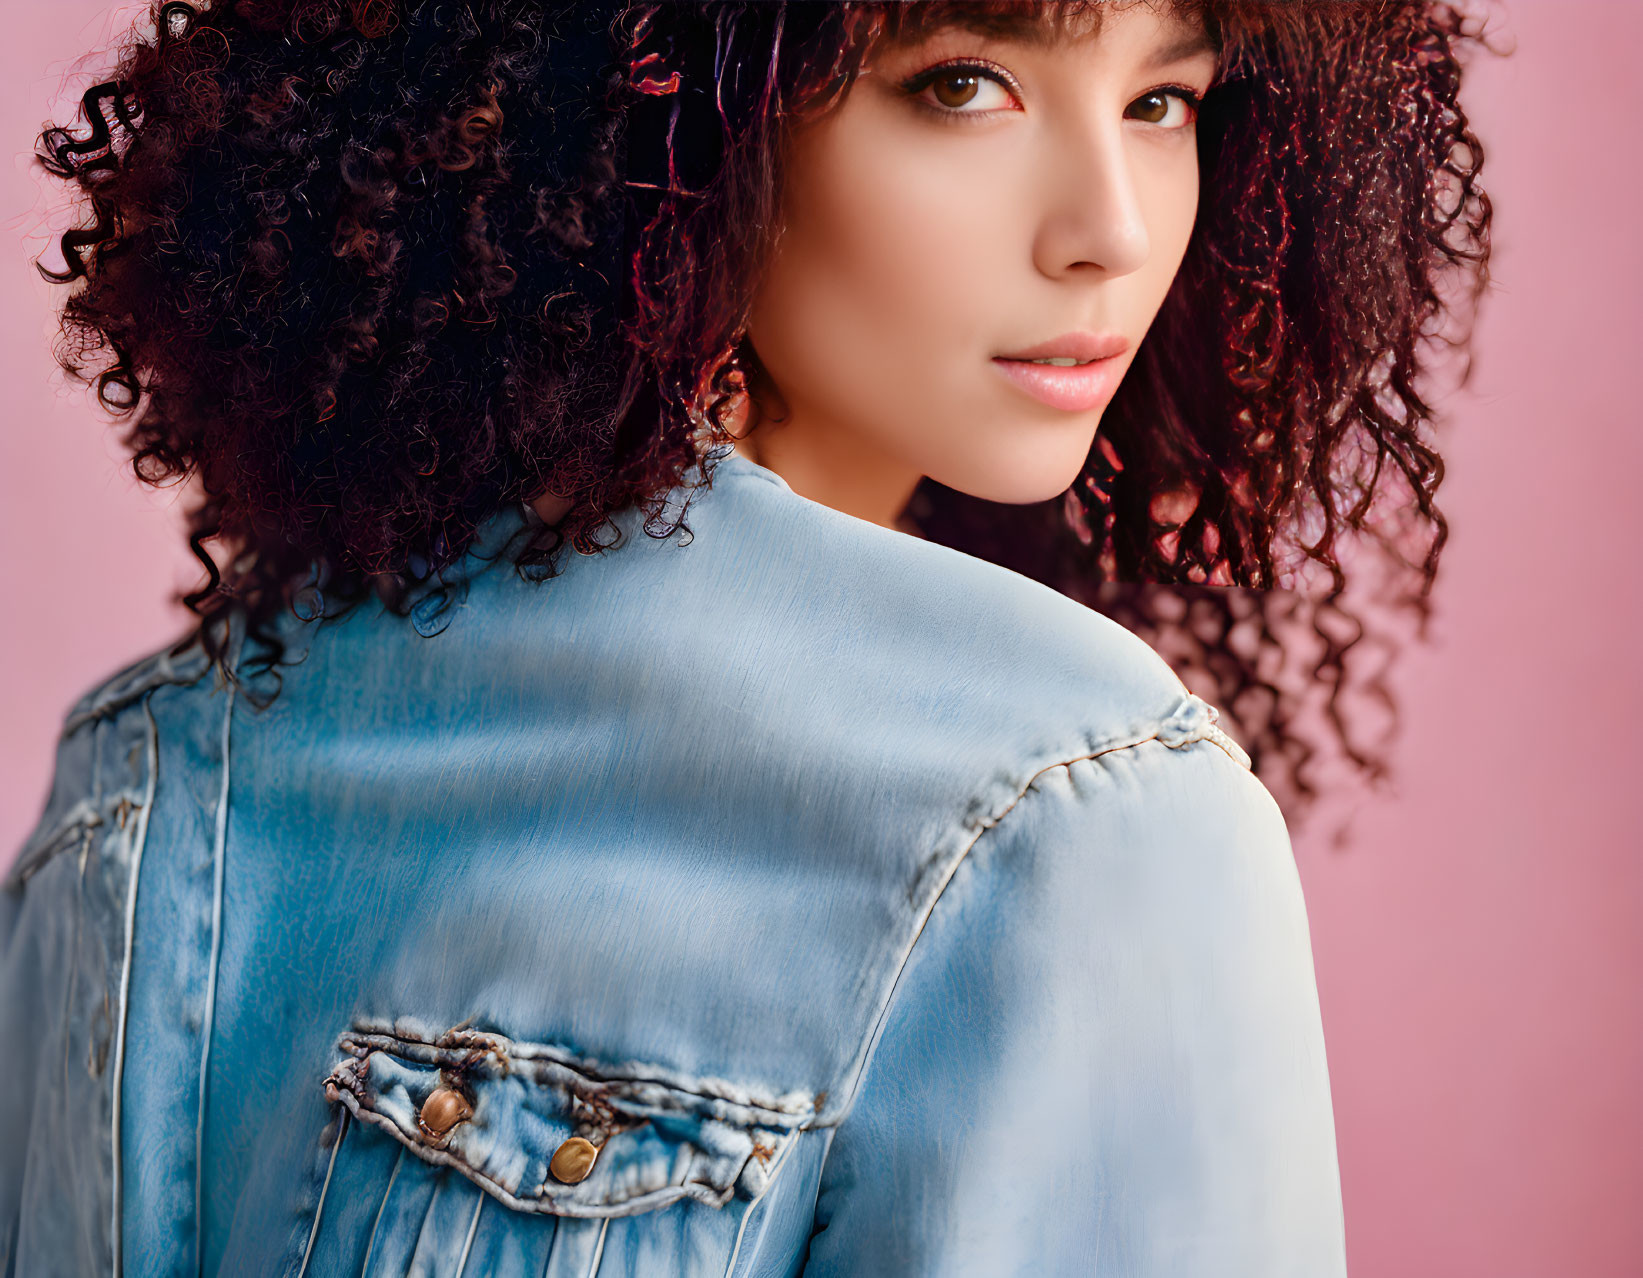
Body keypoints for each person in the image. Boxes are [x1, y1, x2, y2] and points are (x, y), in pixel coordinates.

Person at [1, 0, 1491, 1273]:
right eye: (963, 83)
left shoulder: (146, 771)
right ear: (671, 110)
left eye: (1165, 97)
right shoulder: (1074, 803)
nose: (1110, 226)